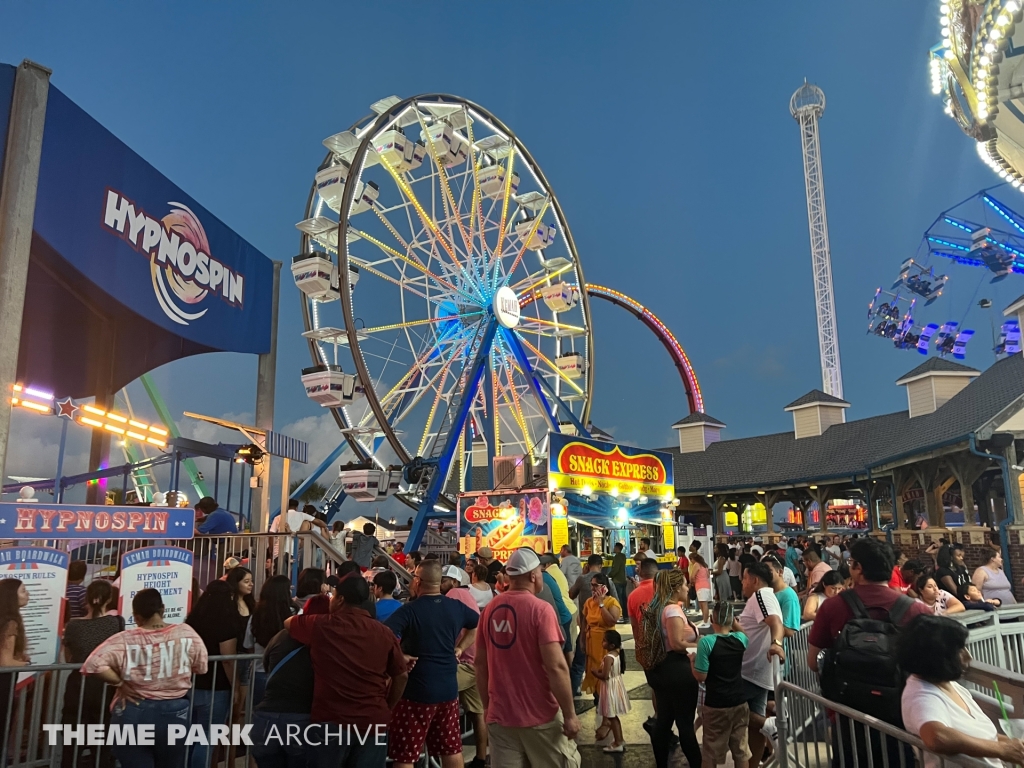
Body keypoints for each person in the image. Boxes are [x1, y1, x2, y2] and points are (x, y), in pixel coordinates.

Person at [808, 537, 930, 768]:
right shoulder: (917, 610)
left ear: (858, 568)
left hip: (848, 713)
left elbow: (813, 662)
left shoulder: (833, 607)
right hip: (901, 712)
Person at [286, 573, 409, 768]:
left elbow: (289, 623)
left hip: (332, 721)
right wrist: (388, 705)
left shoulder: (322, 625)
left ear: (341, 599)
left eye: (333, 595)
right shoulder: (384, 632)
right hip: (373, 722)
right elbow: (401, 675)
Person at [475, 547, 581, 768]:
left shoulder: (489, 610)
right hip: (540, 717)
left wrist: (487, 707)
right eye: (540, 572)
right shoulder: (540, 610)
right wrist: (570, 714)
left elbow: (480, 664)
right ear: (533, 576)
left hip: (500, 717)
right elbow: (556, 667)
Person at [81, 589, 207, 768]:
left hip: (133, 709)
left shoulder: (125, 639)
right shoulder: (186, 633)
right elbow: (201, 667)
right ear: (162, 609)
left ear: (136, 616)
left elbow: (93, 663)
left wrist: (119, 683)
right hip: (175, 713)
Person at [384, 560, 478, 768]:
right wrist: (460, 648)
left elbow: (384, 636)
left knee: (406, 754)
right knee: (451, 748)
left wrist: (400, 656)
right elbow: (475, 625)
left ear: (418, 581)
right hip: (448, 689)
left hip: (416, 692)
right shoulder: (456, 607)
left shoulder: (410, 610)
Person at [899, 615, 1024, 768]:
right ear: (937, 656)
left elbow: (983, 736)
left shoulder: (950, 685)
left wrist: (1014, 747)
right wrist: (1000, 750)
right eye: (959, 650)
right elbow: (937, 736)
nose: (968, 656)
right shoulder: (921, 696)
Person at [250, 594, 330, 768]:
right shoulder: (326, 642)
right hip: (301, 720)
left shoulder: (281, 635)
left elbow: (267, 663)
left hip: (265, 719)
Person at [640, 569, 702, 768]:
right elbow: (676, 643)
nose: (687, 587)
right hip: (678, 671)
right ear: (675, 588)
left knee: (664, 720)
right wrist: (701, 646)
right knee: (685, 725)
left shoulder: (659, 608)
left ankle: (661, 763)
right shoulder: (673, 610)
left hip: (662, 670)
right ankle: (696, 763)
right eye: (684, 584)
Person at [61, 580, 123, 766]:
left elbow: (69, 658)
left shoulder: (73, 625)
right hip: (106, 685)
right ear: (109, 599)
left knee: (72, 736)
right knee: (103, 734)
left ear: (86, 598)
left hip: (78, 684)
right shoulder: (116, 623)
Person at [186, 581, 244, 768]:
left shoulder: (193, 620)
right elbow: (227, 659)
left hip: (191, 684)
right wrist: (235, 686)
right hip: (216, 687)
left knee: (190, 738)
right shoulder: (226, 622)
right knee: (207, 739)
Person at [736, 561, 786, 768]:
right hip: (757, 670)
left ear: (754, 580)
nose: (742, 583)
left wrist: (776, 644)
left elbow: (775, 622)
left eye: (744, 578)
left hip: (750, 670)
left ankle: (768, 723)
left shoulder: (761, 596)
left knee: (734, 710)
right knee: (752, 727)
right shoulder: (764, 597)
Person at [439, 565, 488, 768]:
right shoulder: (467, 595)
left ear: (455, 582)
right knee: (477, 714)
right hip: (475, 662)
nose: (440, 583)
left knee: (433, 698)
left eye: (444, 579)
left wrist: (458, 648)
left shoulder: (453, 594)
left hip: (463, 664)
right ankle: (481, 758)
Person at [691, 601, 750, 768]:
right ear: (732, 620)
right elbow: (743, 633)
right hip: (739, 701)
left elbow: (701, 676)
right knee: (741, 750)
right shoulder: (740, 640)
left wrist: (692, 662)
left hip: (716, 704)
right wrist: (734, 623)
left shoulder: (706, 642)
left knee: (710, 752)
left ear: (711, 618)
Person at [245, 575, 294, 709]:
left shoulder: (256, 616)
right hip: (288, 673)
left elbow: (248, 645)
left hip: (259, 671)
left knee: (258, 716)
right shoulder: (295, 615)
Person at [580, 573, 621, 698]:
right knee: (592, 670)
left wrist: (601, 604)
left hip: (606, 643)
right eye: (591, 585)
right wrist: (582, 641)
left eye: (595, 585)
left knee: (604, 670)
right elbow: (584, 622)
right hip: (591, 641)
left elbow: (611, 621)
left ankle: (606, 699)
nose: (592, 588)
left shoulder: (612, 602)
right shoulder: (588, 602)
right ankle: (597, 698)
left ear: (604, 587)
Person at [592, 629, 629, 753]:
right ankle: (620, 740)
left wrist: (595, 673)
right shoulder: (617, 654)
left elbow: (605, 676)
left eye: (604, 641)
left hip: (609, 688)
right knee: (613, 716)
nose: (602, 643)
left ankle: (618, 742)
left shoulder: (608, 657)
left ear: (611, 645)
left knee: (611, 716)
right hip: (615, 686)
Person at [541, 553, 577, 666]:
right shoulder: (555, 571)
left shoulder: (546, 574)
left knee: (562, 653)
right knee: (569, 649)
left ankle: (570, 679)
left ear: (547, 564)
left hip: (562, 614)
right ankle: (573, 678)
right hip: (570, 610)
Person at [692, 552, 712, 627]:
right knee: (703, 603)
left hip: (700, 586)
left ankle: (706, 622)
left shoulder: (696, 565)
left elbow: (692, 576)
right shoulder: (705, 565)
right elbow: (707, 576)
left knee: (703, 604)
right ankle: (705, 620)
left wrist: (692, 582)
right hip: (706, 586)